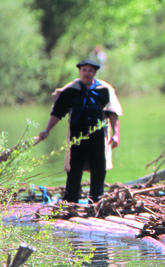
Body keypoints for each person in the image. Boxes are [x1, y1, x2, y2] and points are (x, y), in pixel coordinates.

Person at [39, 59, 122, 203]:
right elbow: (58, 112)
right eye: (84, 70)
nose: (87, 73)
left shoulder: (103, 90)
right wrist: (47, 130)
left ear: (95, 73)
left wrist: (116, 134)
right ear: (79, 72)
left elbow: (112, 113)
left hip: (97, 136)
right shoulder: (71, 90)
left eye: (90, 70)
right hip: (77, 136)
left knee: (99, 169)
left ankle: (96, 201)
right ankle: (71, 201)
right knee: (74, 170)